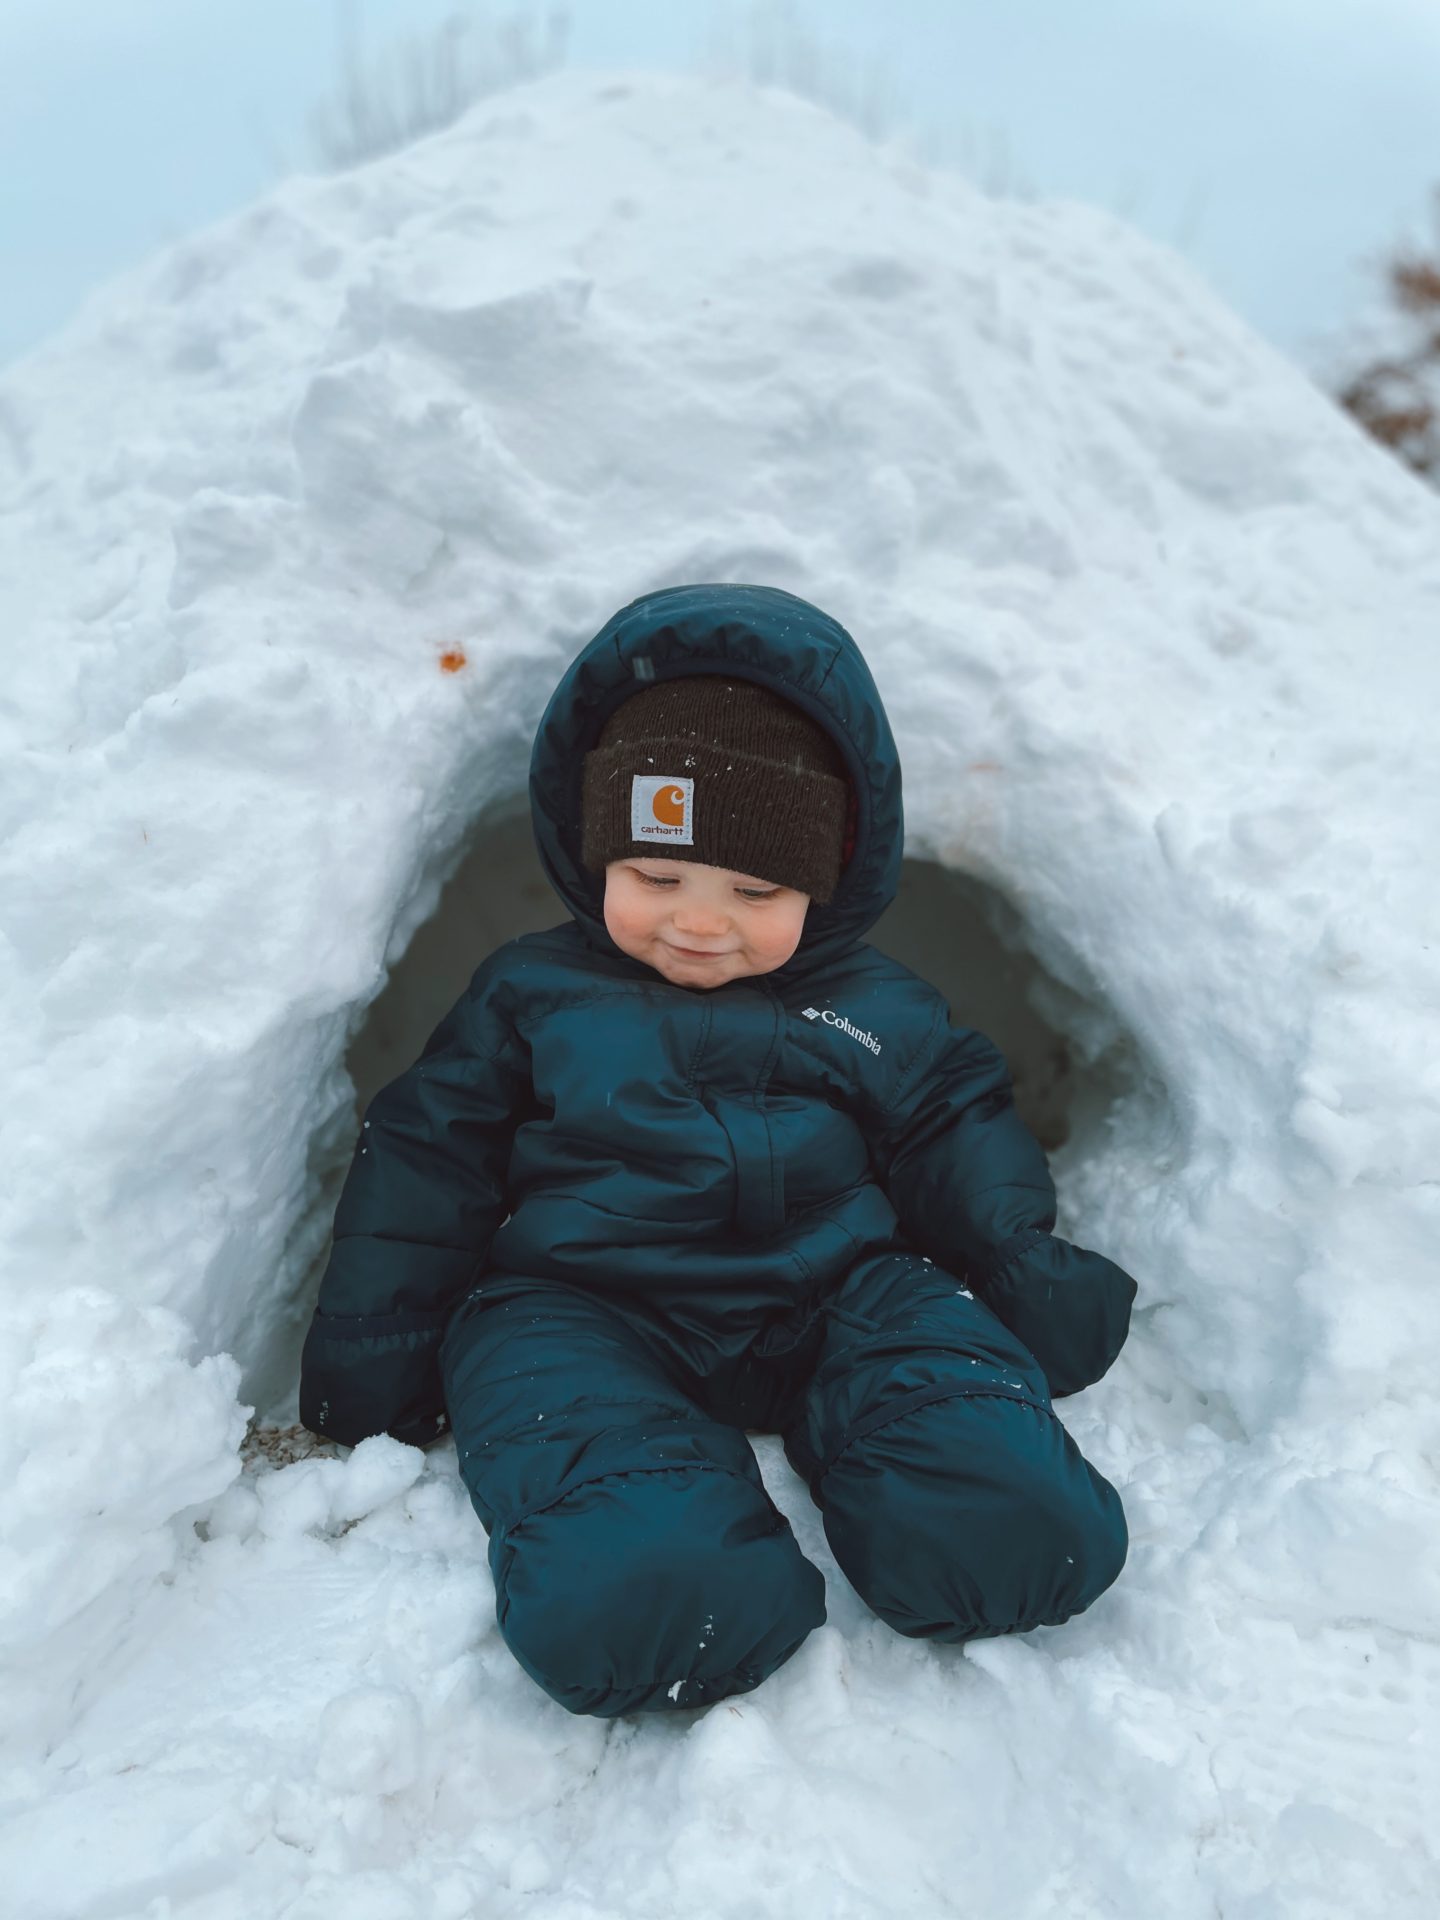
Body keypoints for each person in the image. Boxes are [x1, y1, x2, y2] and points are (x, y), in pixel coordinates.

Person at [298, 582, 1136, 1716]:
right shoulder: (532, 995)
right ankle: (664, 1570)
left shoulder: (871, 1004)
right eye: (656, 879)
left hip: (834, 1283)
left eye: (754, 889)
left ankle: (971, 1502)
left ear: (824, 880)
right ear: (598, 858)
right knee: (633, 1559)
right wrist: (381, 1353)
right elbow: (428, 1161)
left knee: (997, 1501)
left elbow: (952, 1123)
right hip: (584, 1299)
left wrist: (1015, 1258)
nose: (700, 920)